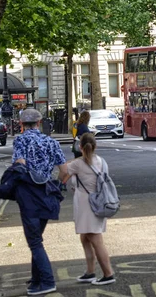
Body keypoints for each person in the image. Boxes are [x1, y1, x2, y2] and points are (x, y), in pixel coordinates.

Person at [12, 109, 67, 296]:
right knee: (37, 239)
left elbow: (19, 163)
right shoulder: (51, 142)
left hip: (29, 196)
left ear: (21, 124)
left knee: (34, 241)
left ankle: (47, 281)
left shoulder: (20, 140)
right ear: (39, 122)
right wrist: (58, 184)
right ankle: (36, 281)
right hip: (47, 193)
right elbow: (65, 170)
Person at [60, 133, 116, 286]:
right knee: (85, 237)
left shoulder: (78, 164)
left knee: (96, 239)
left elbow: (63, 171)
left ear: (80, 147)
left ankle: (108, 273)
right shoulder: (102, 161)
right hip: (98, 202)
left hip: (86, 204)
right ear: (95, 146)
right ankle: (90, 272)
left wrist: (71, 161)